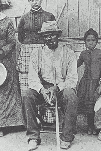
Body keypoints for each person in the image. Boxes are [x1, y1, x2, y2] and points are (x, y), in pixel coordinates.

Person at [22, 21, 78, 150]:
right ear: (43, 37)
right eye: (46, 36)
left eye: (52, 35)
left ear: (57, 35)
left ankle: (67, 137)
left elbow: (73, 79)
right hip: (43, 88)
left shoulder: (68, 52)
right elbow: (32, 77)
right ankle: (33, 136)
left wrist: (57, 87)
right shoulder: (37, 53)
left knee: (71, 95)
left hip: (61, 88)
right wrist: (42, 89)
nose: (49, 38)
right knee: (27, 95)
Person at [0, 0, 24, 136]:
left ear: (1, 7)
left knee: (1, 93)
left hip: (4, 62)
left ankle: (0, 125)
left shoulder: (7, 22)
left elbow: (12, 42)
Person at [17, 0, 55, 85]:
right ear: (29, 1)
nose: (35, 2)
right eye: (32, 0)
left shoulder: (49, 16)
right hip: (27, 50)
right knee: (27, 76)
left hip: (44, 49)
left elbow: (54, 36)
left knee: (45, 75)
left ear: (41, 0)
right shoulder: (24, 18)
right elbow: (20, 37)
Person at [77, 28, 101, 135]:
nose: (91, 43)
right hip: (86, 83)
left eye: (93, 40)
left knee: (96, 104)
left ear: (97, 41)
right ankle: (89, 126)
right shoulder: (83, 53)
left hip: (96, 82)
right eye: (88, 40)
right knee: (88, 106)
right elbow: (75, 64)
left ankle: (97, 126)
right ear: (85, 42)